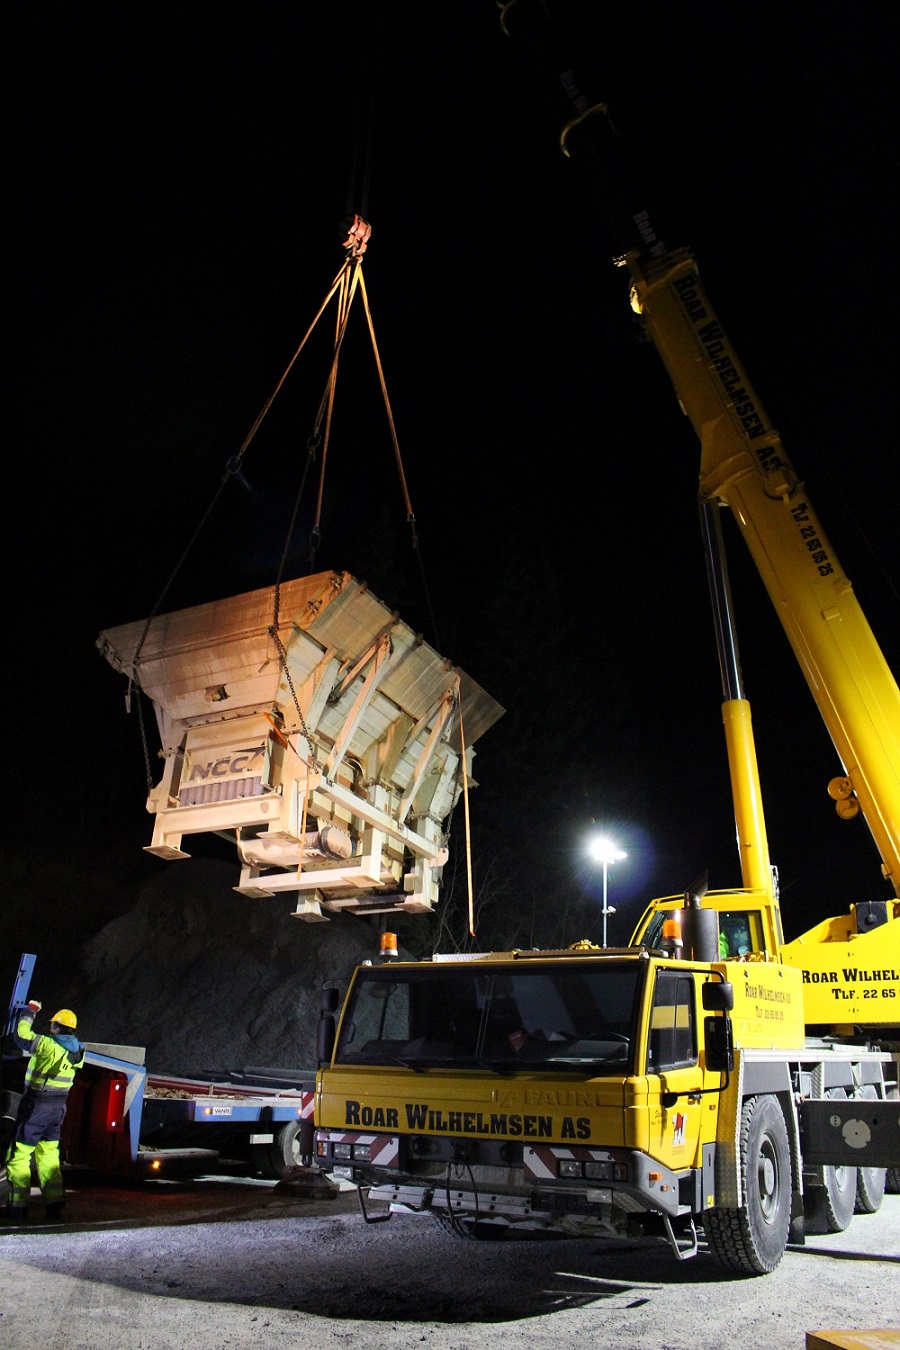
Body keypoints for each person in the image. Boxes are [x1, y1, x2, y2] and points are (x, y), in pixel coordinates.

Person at [5, 1000, 85, 1224]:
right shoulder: (79, 1051)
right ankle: (54, 1206)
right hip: (58, 1108)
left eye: (53, 1025)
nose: (50, 1028)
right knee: (49, 1157)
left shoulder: (47, 1044)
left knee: (19, 1155)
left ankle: (18, 1207)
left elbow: (21, 1035)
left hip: (37, 1105)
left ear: (57, 1028)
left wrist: (30, 1011)